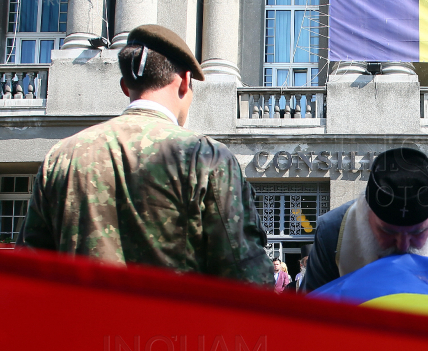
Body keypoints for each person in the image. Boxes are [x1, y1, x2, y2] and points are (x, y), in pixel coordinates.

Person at [16, 24, 271, 285]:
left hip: (81, 323)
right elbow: (248, 278)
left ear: (126, 86)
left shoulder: (61, 157)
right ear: (184, 81)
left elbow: (27, 277)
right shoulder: (207, 158)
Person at [302, 147, 428, 291]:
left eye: (417, 232)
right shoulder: (332, 231)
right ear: (366, 214)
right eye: (388, 231)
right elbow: (311, 317)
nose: (403, 245)